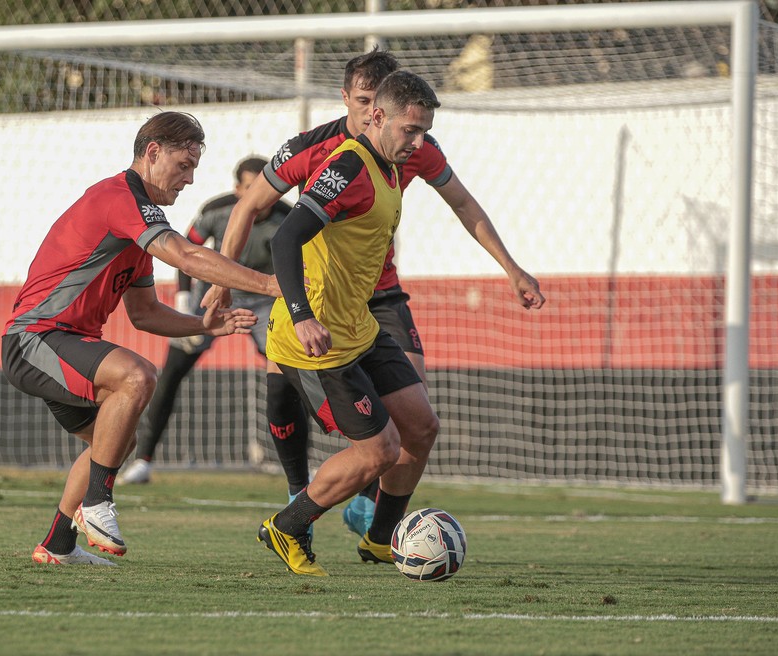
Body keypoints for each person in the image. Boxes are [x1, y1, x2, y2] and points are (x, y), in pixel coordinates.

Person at [204, 50, 545, 543]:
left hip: (379, 296)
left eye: (377, 101)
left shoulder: (412, 141)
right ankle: (299, 494)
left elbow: (464, 202)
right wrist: (222, 280)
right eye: (362, 101)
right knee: (283, 378)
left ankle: (372, 519)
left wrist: (511, 269)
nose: (370, 112)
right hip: (317, 295)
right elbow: (249, 209)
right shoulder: (315, 149)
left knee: (417, 417)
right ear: (349, 99)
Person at [1, 112, 279, 566]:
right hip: (35, 338)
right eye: (184, 165)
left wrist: (203, 326)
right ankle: (97, 503)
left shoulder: (138, 225)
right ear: (153, 153)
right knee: (138, 376)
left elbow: (145, 314)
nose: (190, 180)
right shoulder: (118, 198)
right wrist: (271, 285)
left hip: (59, 342)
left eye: (194, 169)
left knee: (116, 440)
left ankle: (57, 545)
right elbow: (188, 255)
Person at [254, 70, 444, 576]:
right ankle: (286, 526)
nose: (418, 142)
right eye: (411, 131)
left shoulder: (392, 168)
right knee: (378, 450)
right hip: (316, 342)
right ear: (376, 117)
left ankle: (381, 540)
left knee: (421, 428)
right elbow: (285, 238)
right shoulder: (348, 167)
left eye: (424, 131)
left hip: (359, 327)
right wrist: (301, 317)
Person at [117, 156, 292, 485]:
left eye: (267, 186)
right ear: (237, 188)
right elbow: (187, 250)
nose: (261, 194)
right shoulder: (215, 210)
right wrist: (184, 300)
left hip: (265, 297)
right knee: (171, 372)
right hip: (212, 293)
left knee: (289, 373)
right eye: (251, 187)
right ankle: (143, 460)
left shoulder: (289, 216)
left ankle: (299, 466)